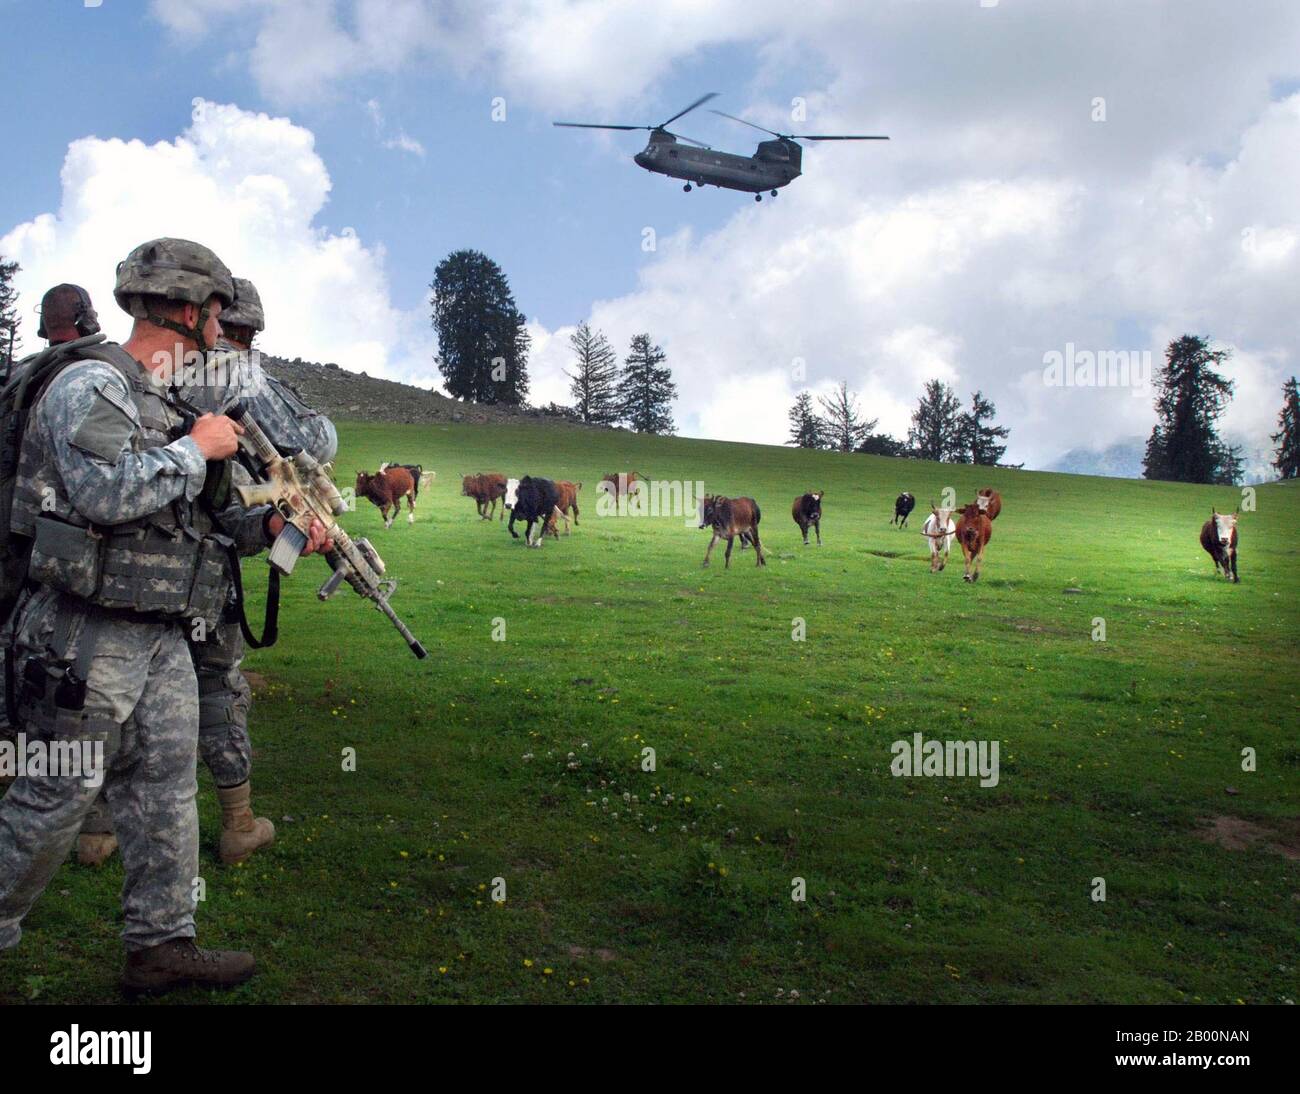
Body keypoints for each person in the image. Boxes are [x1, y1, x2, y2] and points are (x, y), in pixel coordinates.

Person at [0, 238, 328, 992]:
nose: (223, 332)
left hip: (159, 635)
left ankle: (160, 944)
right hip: (83, 633)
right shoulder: (93, 385)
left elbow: (200, 521)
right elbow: (104, 495)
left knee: (164, 788)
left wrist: (272, 532)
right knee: (55, 795)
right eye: (217, 315)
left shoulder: (175, 404)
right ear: (187, 311)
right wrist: (194, 450)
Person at [181, 276, 337, 863]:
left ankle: (97, 830)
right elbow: (311, 441)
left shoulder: (138, 374)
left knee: (120, 695)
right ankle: (238, 823)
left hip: (122, 575)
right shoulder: (237, 374)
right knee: (217, 687)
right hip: (202, 569)